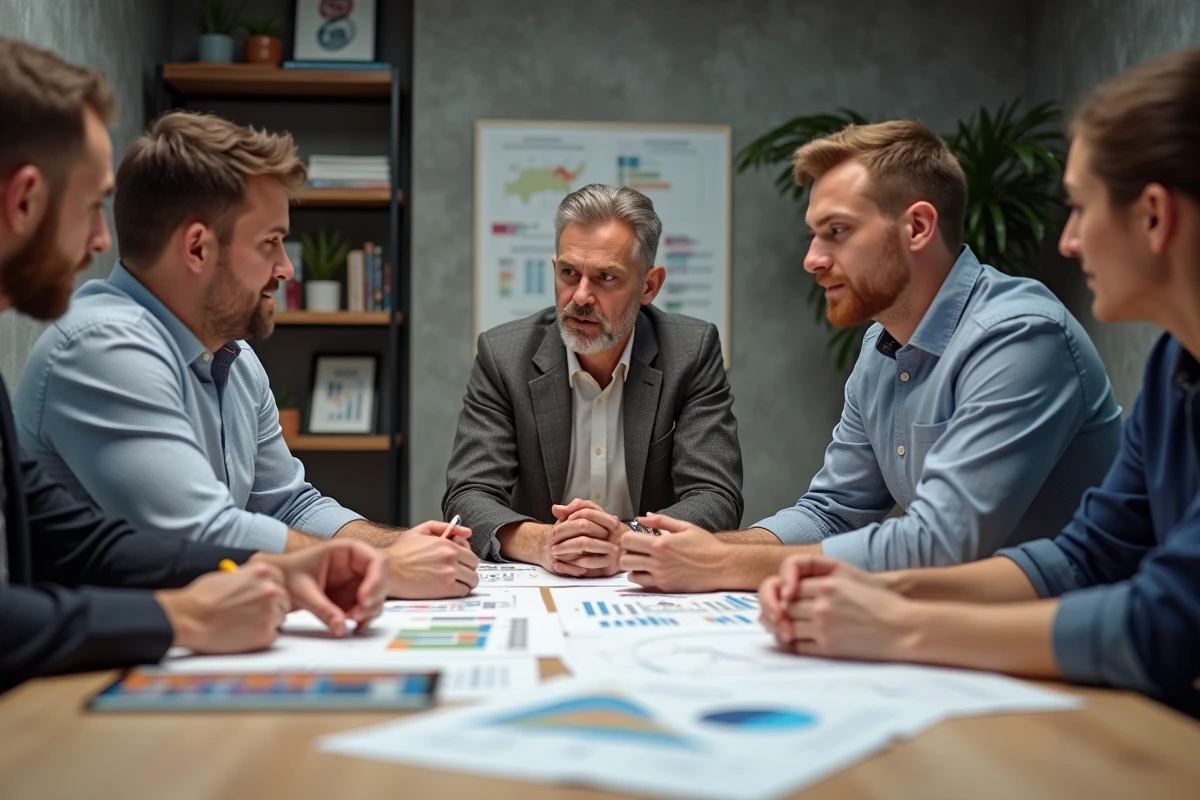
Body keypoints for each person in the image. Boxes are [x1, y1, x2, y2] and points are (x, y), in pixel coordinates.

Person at [758, 48, 1200, 719]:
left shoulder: (1023, 330)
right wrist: (872, 589)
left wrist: (899, 625)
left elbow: (1165, 620)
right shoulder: (1175, 366)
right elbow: (1087, 555)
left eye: (1079, 208)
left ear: (1153, 216)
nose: (1068, 242)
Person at [0, 35, 388, 693]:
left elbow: (75, 540)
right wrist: (175, 615)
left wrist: (305, 565)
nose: (101, 239)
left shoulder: (231, 354)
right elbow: (190, 532)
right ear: (25, 201)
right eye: (92, 204)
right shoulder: (99, 341)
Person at [621, 121, 1121, 592]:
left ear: (918, 227)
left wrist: (726, 563)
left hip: (1071, 646)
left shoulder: (1019, 336)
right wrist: (697, 547)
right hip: (953, 634)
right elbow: (833, 509)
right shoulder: (881, 346)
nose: (812, 259)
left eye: (836, 231)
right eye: (814, 234)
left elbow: (941, 544)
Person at [14, 110, 478, 599]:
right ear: (197, 248)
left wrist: (401, 543)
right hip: (98, 661)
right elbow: (200, 536)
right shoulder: (102, 346)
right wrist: (377, 564)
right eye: (271, 243)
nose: (285, 269)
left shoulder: (232, 355)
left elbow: (287, 505)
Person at [444, 183, 743, 576]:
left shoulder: (691, 352)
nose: (580, 296)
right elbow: (468, 495)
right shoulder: (503, 357)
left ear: (648, 286)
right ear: (554, 269)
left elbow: (716, 496)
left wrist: (630, 540)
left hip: (644, 583)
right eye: (569, 273)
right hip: (541, 580)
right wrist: (542, 542)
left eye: (605, 277)